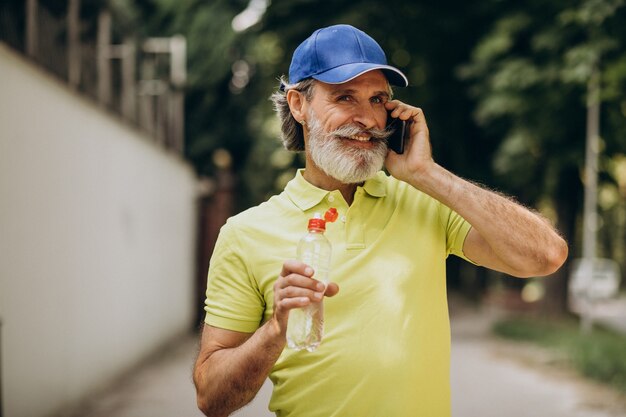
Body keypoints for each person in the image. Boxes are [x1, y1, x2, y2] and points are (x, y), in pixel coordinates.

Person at [193, 24, 568, 417]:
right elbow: (212, 398)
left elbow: (545, 256)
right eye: (345, 97)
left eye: (378, 100)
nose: (369, 119)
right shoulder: (244, 233)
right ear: (298, 104)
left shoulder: (426, 202)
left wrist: (427, 174)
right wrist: (276, 329)